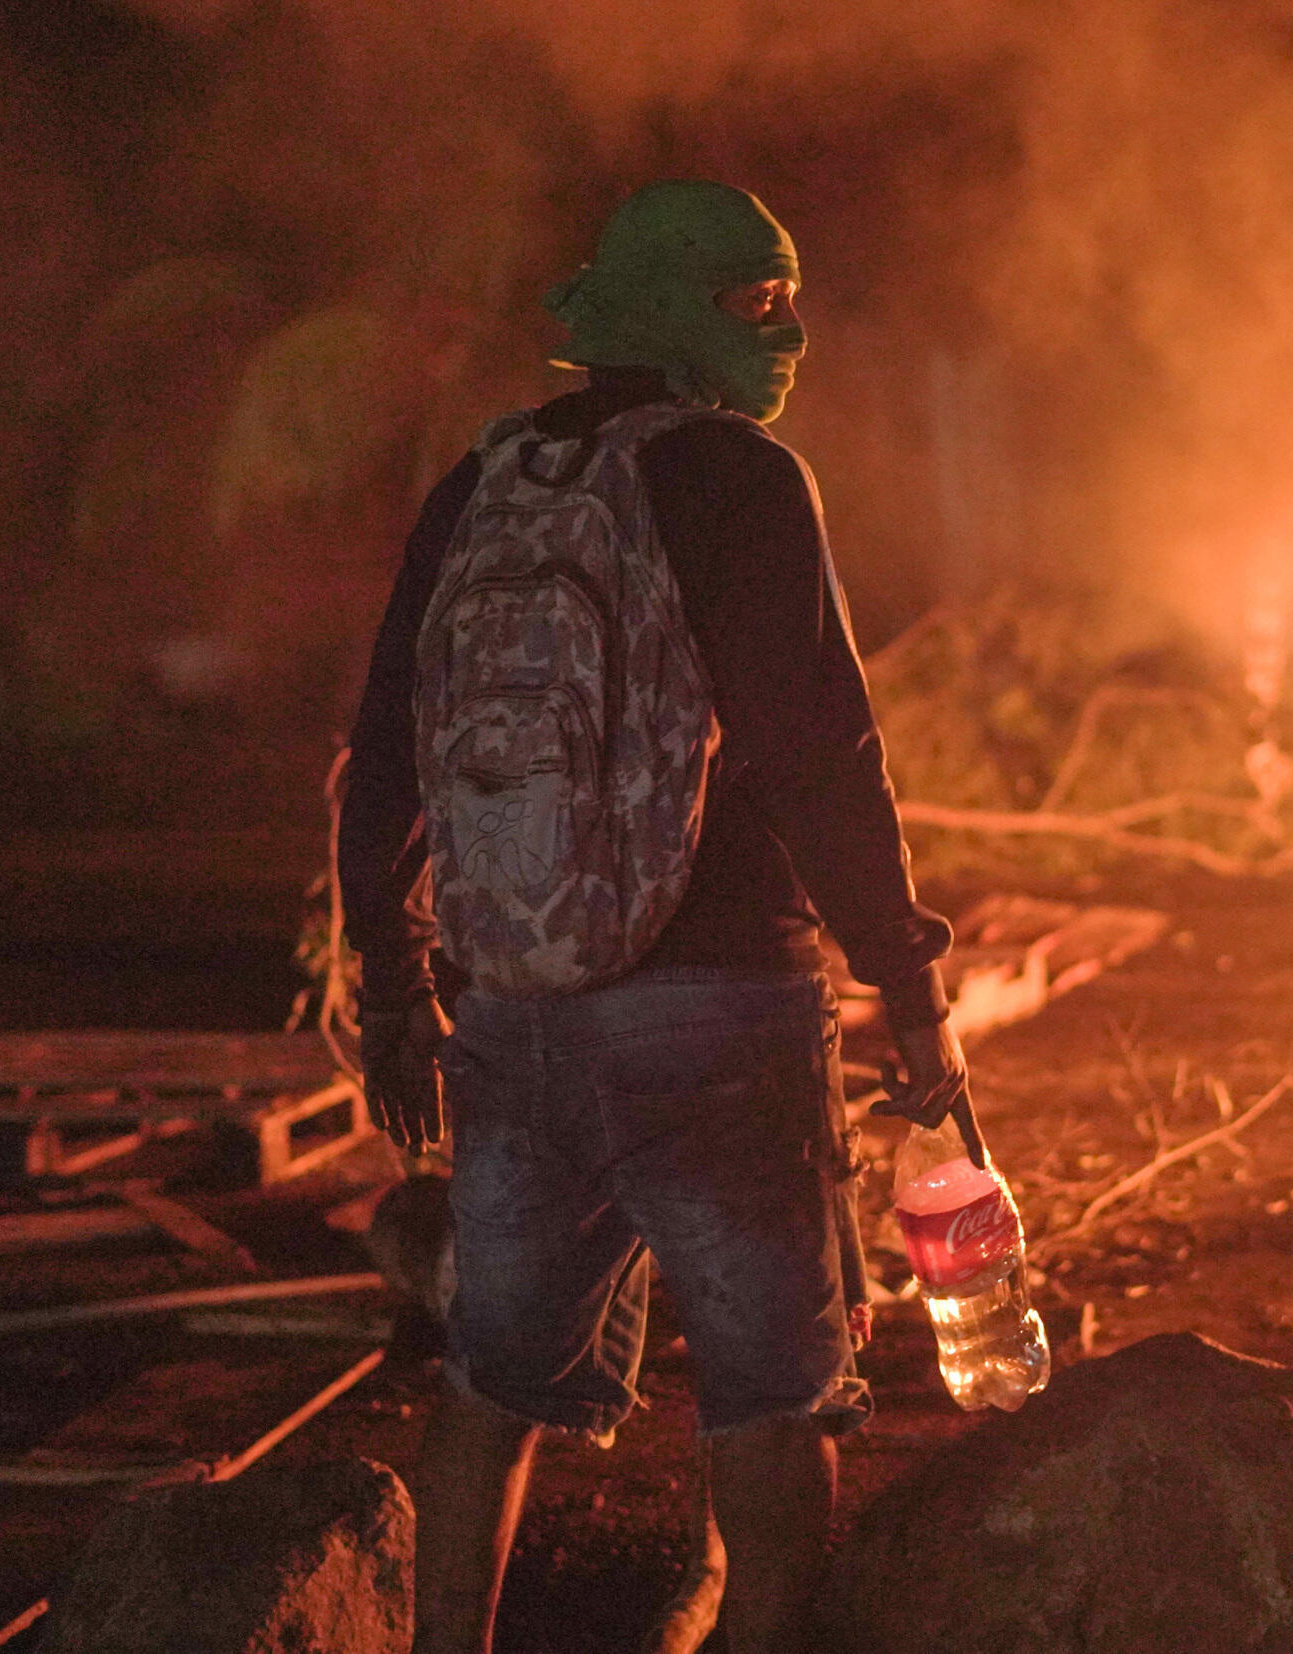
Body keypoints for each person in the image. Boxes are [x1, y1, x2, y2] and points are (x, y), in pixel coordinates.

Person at [337, 179, 972, 1654]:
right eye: (758, 301)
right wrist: (910, 987)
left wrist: (391, 982)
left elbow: (388, 754)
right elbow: (822, 758)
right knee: (773, 1394)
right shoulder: (741, 482)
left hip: (513, 1017)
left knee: (493, 1386)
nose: (790, 330)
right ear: (682, 311)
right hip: (724, 1017)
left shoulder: (479, 486)